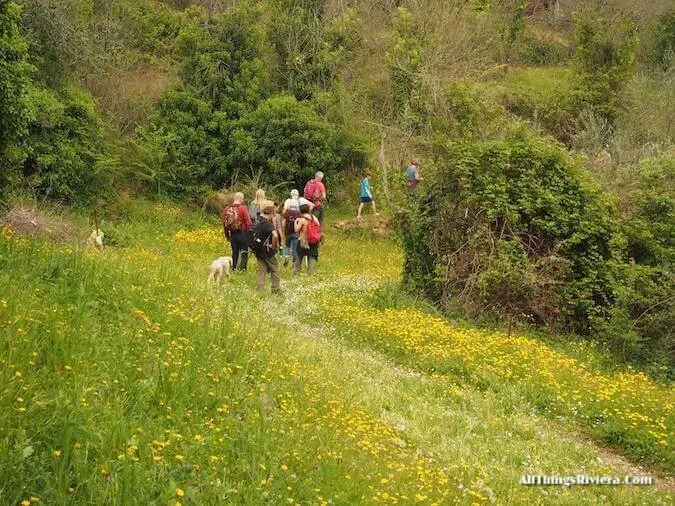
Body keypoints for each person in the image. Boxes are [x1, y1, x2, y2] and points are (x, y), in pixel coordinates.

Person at [251, 205, 282, 294]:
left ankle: (260, 290)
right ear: (271, 213)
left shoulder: (257, 223)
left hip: (258, 250)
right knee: (275, 269)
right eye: (274, 214)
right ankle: (276, 289)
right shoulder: (268, 224)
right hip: (267, 251)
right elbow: (275, 235)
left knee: (262, 270)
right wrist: (273, 246)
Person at [221, 192, 253, 272]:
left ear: (234, 198)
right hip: (243, 233)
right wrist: (251, 234)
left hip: (233, 234)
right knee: (244, 252)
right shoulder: (243, 208)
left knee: (234, 252)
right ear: (241, 199)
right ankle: (243, 269)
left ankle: (233, 268)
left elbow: (224, 224)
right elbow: (248, 223)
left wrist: (227, 236)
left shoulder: (227, 209)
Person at [294, 203, 321, 275]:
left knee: (299, 255)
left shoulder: (302, 219)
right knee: (312, 255)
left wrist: (295, 222)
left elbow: (296, 230)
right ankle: (310, 273)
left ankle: (297, 272)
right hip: (313, 239)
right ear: (308, 210)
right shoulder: (313, 217)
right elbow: (318, 226)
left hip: (303, 240)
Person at [282, 201, 301, 267]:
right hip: (295, 233)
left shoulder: (286, 213)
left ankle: (286, 259)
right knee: (295, 248)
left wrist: (283, 231)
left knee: (287, 246)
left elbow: (283, 223)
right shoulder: (298, 213)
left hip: (287, 233)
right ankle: (294, 262)